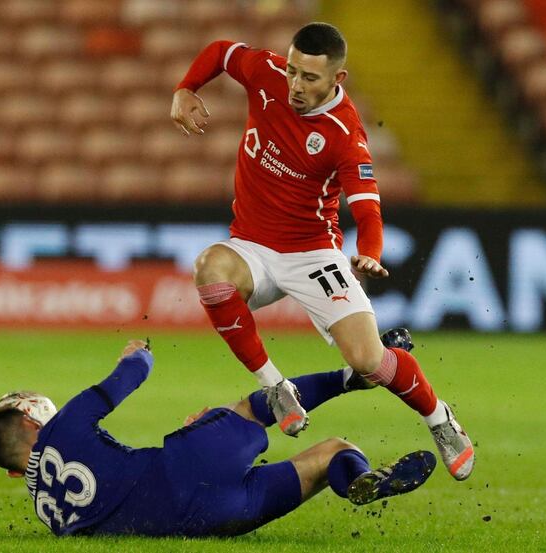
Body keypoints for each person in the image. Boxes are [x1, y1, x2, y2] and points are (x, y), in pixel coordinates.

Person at [170, 22, 474, 480]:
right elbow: (219, 51)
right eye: (293, 71)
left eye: (309, 78)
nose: (295, 85)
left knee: (368, 361)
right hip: (251, 246)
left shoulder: (344, 134)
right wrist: (186, 88)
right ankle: (275, 387)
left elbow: (368, 210)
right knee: (209, 268)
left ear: (338, 78)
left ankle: (440, 419)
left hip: (313, 254)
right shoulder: (267, 72)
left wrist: (369, 251)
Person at [0, 339, 436, 537]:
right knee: (250, 409)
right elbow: (132, 373)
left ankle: (357, 477)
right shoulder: (64, 425)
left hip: (212, 520)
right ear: (32, 420)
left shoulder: (46, 514)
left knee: (328, 452)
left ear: (15, 470)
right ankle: (355, 377)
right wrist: (141, 352)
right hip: (184, 468)